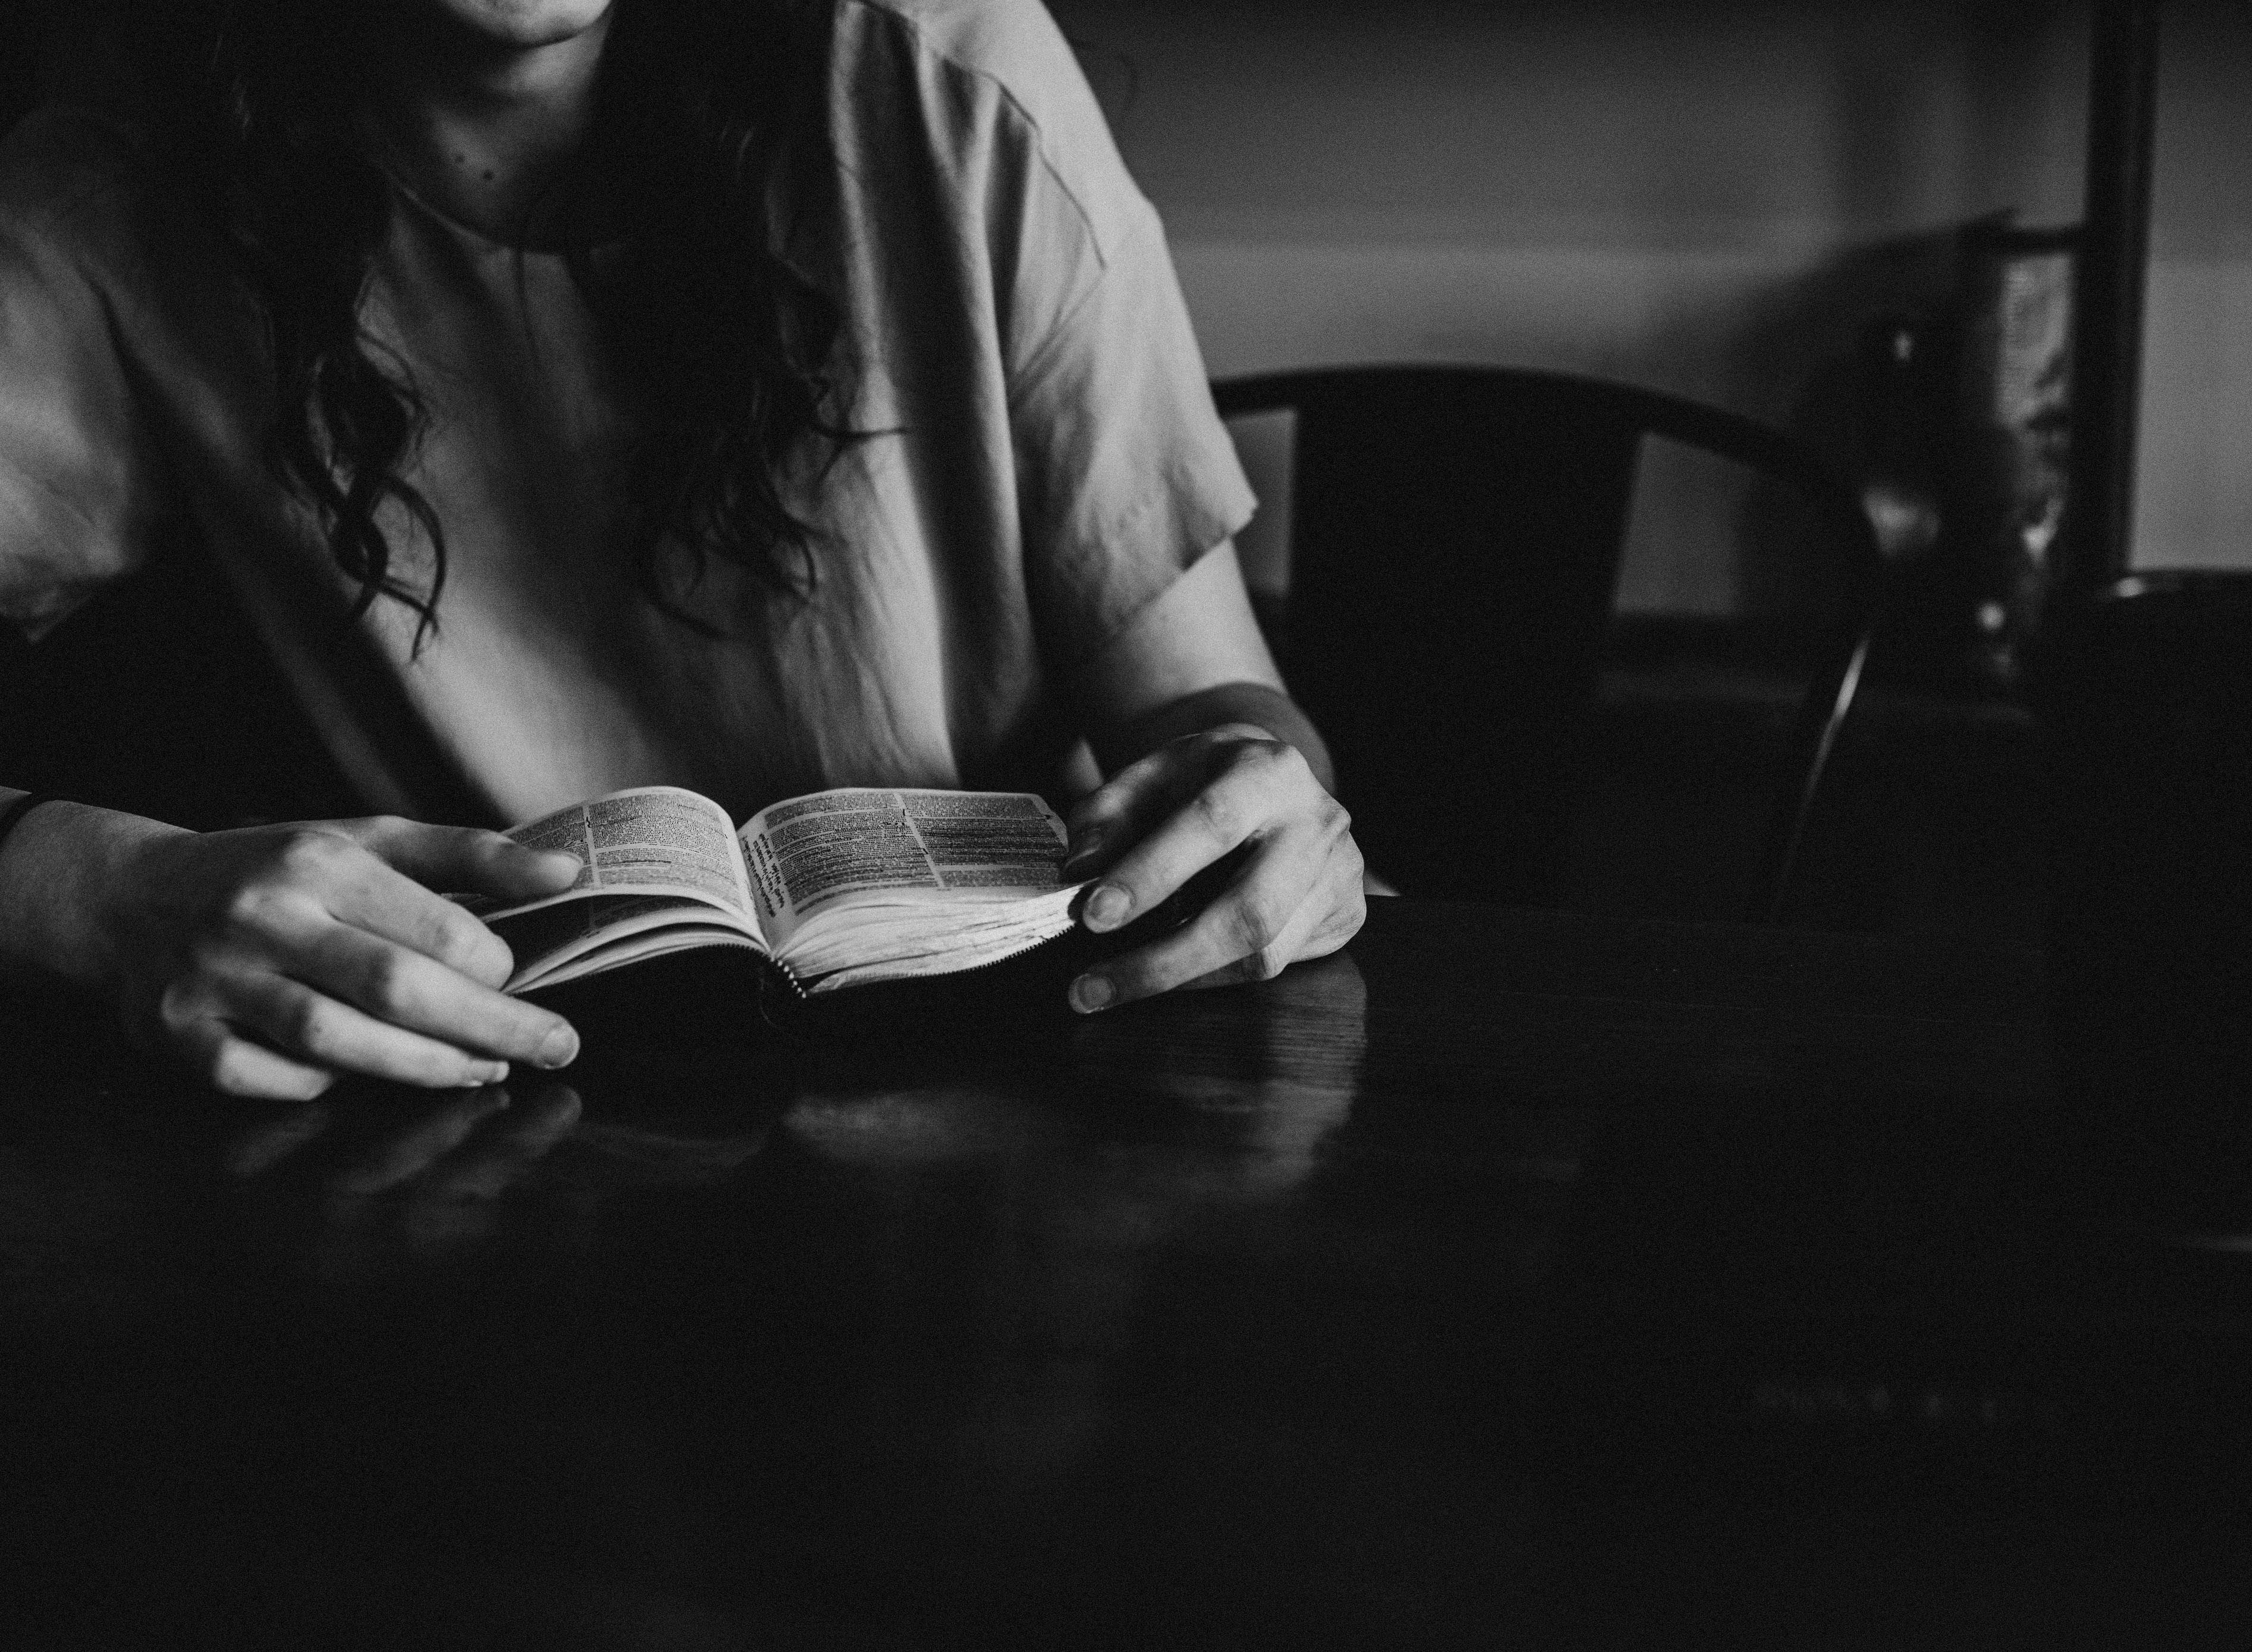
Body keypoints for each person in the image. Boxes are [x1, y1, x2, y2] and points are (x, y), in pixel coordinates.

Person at [0, 0, 1365, 1100]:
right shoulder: (118, 167)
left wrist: (1267, 802)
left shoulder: (946, 79)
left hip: (997, 1081)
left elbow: (1206, 703)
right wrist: (98, 890)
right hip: (455, 1109)